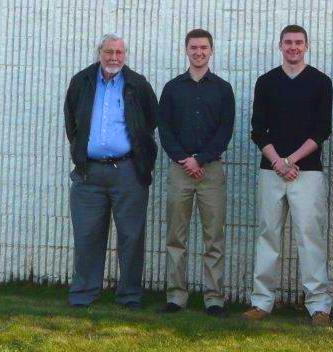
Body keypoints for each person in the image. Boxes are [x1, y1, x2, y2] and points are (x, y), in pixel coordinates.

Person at [244, 24, 333, 326]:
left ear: (307, 45)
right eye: (288, 42)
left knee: (310, 237)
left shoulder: (320, 82)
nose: (293, 47)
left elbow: (322, 130)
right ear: (279, 45)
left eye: (298, 42)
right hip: (272, 172)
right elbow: (258, 129)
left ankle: (319, 305)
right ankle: (262, 302)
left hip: (307, 173)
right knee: (268, 236)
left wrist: (291, 160)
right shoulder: (266, 82)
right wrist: (278, 162)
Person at [64, 34, 158, 308]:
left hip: (127, 171)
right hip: (88, 174)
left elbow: (149, 121)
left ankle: (129, 296)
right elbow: (72, 122)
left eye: (119, 52)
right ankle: (83, 294)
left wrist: (142, 161)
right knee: (87, 235)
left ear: (125, 54)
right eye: (109, 52)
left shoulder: (137, 84)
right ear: (99, 53)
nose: (114, 57)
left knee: (131, 236)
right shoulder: (81, 81)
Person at [158, 29, 235, 317]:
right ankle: (176, 296)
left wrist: (200, 159)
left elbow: (225, 130)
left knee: (213, 236)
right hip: (180, 170)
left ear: (211, 51)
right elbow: (164, 129)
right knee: (176, 236)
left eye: (203, 47)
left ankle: (214, 299)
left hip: (211, 171)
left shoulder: (222, 89)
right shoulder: (172, 88)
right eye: (194, 47)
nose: (198, 52)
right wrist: (184, 159)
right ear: (186, 50)